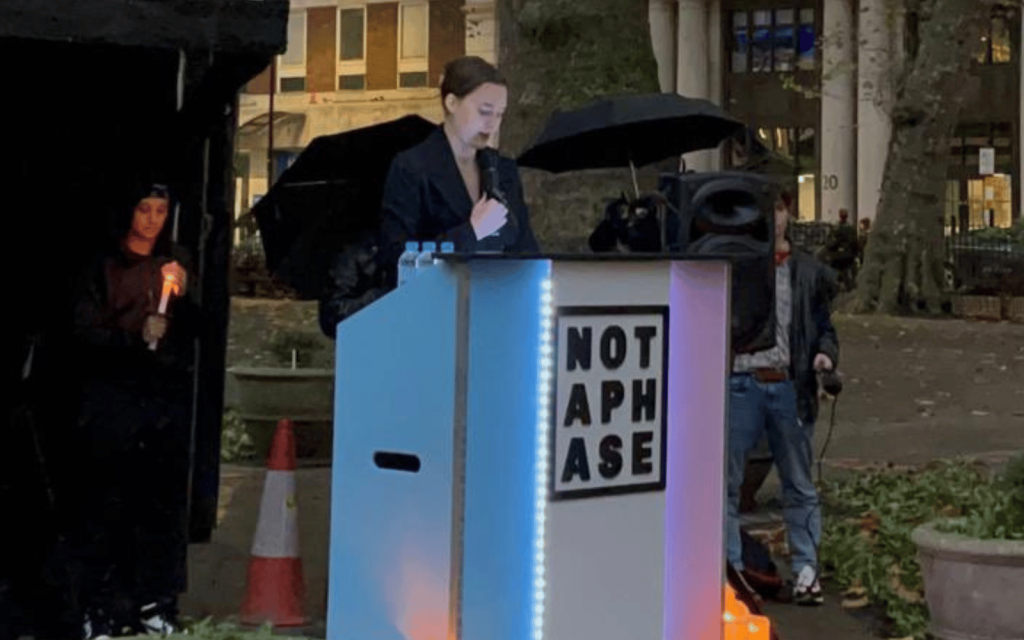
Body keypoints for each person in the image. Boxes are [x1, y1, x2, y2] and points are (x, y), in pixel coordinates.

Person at [55, 182, 198, 638]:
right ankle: (98, 609)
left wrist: (185, 301)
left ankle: (153, 603)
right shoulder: (103, 268)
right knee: (104, 512)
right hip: (109, 407)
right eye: (144, 209)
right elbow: (82, 333)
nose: (153, 220)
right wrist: (134, 336)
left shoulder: (173, 265)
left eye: (161, 210)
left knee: (156, 511)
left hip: (158, 409)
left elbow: (195, 334)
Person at [726, 190, 839, 606]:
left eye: (777, 210)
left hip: (790, 385)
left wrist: (825, 356)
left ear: (787, 213)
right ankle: (735, 574)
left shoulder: (808, 272)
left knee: (799, 483)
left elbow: (824, 327)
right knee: (728, 483)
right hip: (740, 383)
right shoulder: (737, 267)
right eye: (764, 211)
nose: (773, 220)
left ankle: (807, 570)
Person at [378, 55, 539, 274]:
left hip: (499, 297)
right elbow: (395, 255)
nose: (492, 123)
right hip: (438, 300)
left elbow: (528, 250)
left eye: (499, 114)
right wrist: (470, 233)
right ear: (452, 103)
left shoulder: (503, 170)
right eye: (484, 111)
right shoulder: (412, 167)